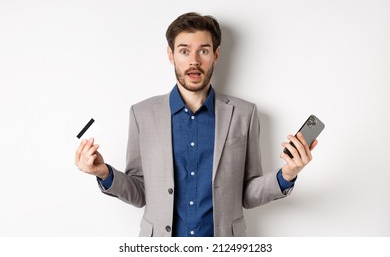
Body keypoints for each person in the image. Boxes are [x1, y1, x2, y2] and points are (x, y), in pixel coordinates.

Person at [75, 12, 318, 237]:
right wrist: (103, 173)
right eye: (184, 51)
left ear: (216, 54)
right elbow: (139, 193)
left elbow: (247, 194)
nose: (194, 61)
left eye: (203, 51)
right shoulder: (142, 114)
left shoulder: (245, 113)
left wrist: (287, 174)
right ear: (171, 55)